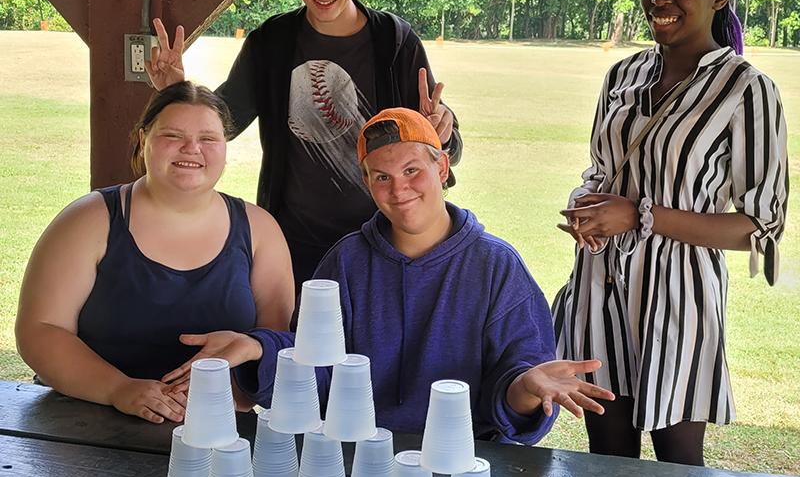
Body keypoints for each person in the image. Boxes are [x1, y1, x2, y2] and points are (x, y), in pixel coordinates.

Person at [163, 108, 613, 444]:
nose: (398, 189)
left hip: (458, 462)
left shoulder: (497, 266)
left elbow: (515, 385)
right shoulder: (346, 262)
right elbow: (317, 362)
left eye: (413, 170)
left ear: (442, 168)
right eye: (382, 176)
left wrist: (526, 387)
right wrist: (259, 347)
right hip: (351, 455)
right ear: (366, 182)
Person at [145, 0, 463, 288]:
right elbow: (219, 124)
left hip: (382, 245)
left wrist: (445, 131)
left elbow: (443, 146)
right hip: (292, 248)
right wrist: (176, 90)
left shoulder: (395, 44)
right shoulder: (271, 44)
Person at [552, 0, 788, 465]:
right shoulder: (625, 73)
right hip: (600, 290)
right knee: (606, 463)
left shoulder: (746, 90)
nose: (660, 0)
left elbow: (759, 225)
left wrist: (640, 215)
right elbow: (603, 169)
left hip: (678, 300)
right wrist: (587, 204)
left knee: (679, 470)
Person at [15, 82, 294, 424]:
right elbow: (41, 329)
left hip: (214, 426)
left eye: (208, 139)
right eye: (172, 136)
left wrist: (234, 388)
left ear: (225, 147)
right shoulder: (89, 220)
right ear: (143, 139)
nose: (192, 148)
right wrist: (119, 389)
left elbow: (275, 342)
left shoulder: (260, 229)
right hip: (88, 422)